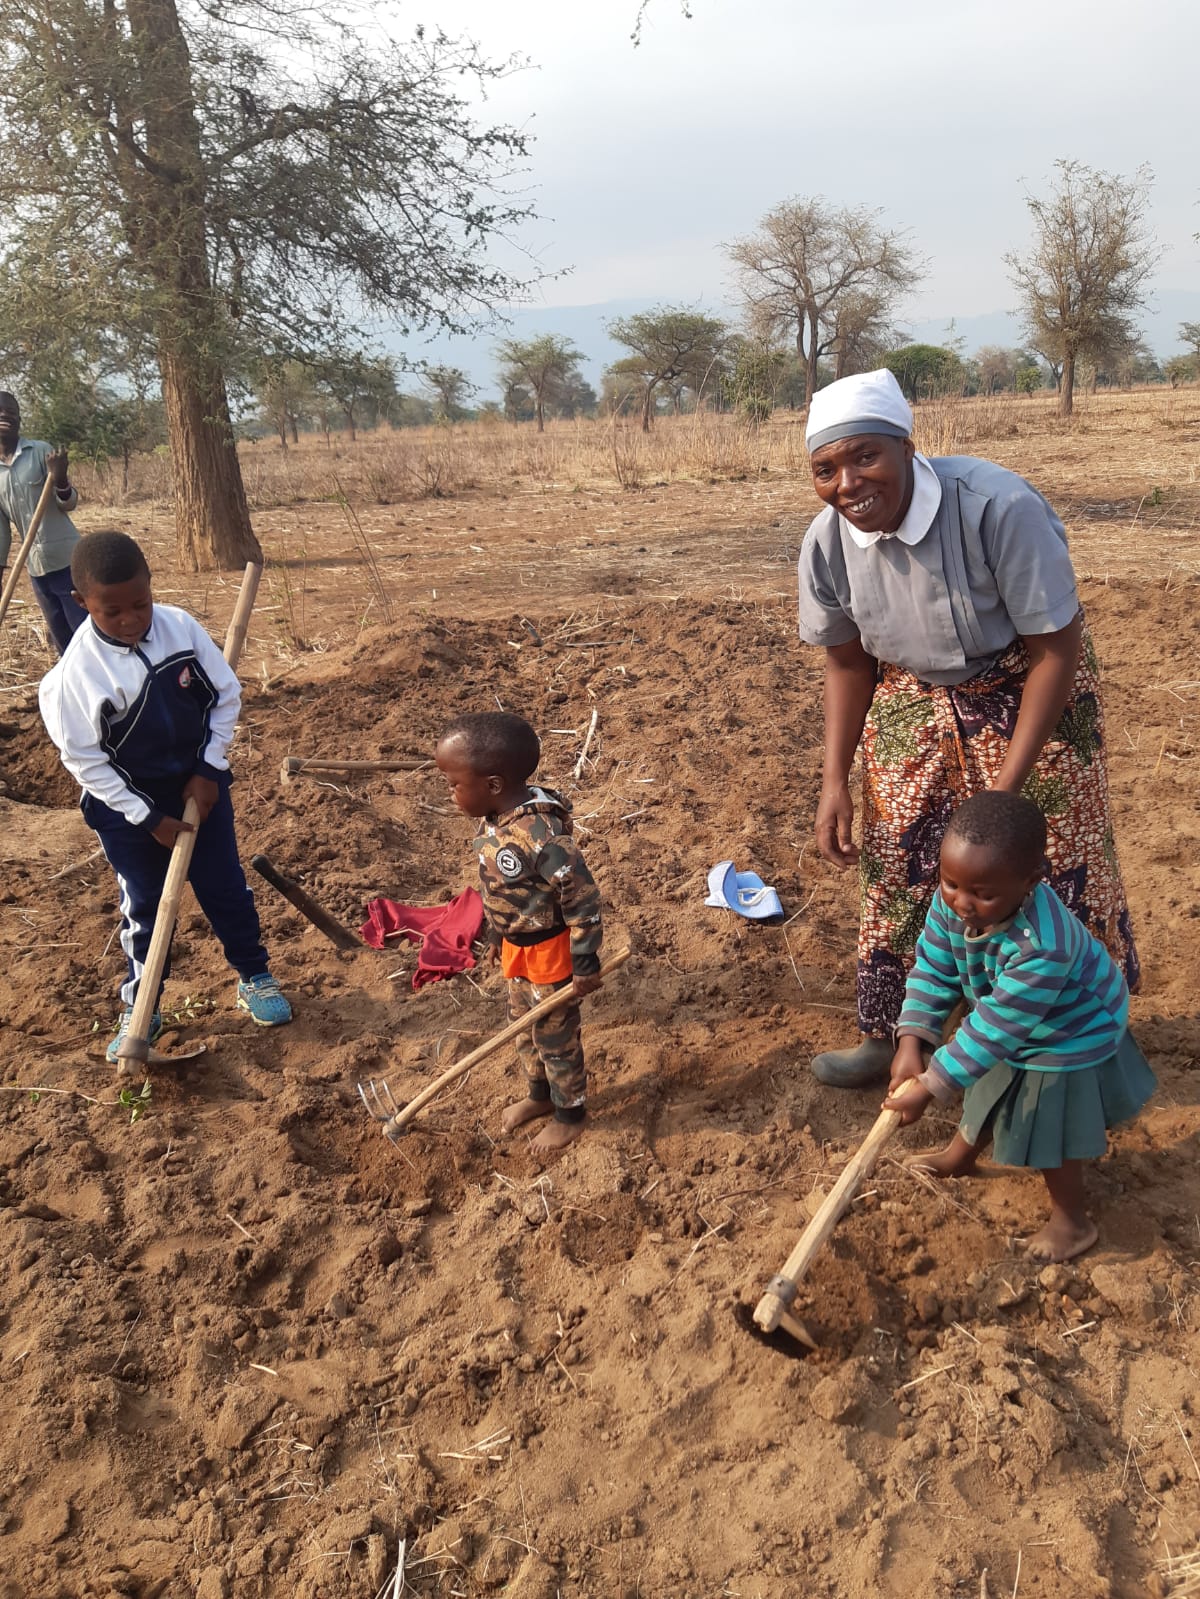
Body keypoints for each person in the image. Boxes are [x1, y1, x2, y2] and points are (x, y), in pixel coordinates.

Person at [797, 368, 1138, 1088]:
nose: (848, 483)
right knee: (895, 863)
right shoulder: (826, 546)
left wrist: (1005, 792)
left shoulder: (996, 507)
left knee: (1047, 863)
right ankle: (889, 1034)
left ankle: (1085, 1037)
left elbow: (1056, 646)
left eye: (866, 457)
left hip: (1028, 686)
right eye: (826, 469)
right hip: (914, 694)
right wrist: (834, 779)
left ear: (906, 447)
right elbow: (848, 666)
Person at [39, 531, 292, 1061]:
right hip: (126, 807)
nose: (132, 619)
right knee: (147, 904)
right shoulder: (73, 679)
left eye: (140, 604)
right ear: (81, 603)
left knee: (225, 886)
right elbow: (85, 762)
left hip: (199, 785)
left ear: (153, 589)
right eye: (113, 611)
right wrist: (147, 816)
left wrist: (209, 767)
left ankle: (254, 975)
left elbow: (225, 697)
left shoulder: (180, 628)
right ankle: (144, 1004)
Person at [883, 791, 1155, 1264]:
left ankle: (1072, 1221)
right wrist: (914, 1039)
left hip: (1073, 1029)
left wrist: (930, 1084)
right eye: (950, 884)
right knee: (989, 1079)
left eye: (983, 894)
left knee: (1048, 1120)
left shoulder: (1041, 946)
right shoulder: (956, 898)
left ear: (1031, 881)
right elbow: (934, 967)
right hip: (1016, 1019)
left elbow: (996, 1028)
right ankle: (959, 1156)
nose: (962, 903)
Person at [435, 712, 604, 1152]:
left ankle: (572, 1113)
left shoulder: (542, 837)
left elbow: (582, 900)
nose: (450, 794)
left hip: (550, 954)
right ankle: (540, 1097)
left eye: (454, 785)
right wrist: (496, 934)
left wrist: (585, 960)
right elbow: (500, 886)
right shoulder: (495, 818)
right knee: (524, 1030)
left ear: (492, 784)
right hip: (517, 949)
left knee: (555, 1036)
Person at [0, 391, 86, 655]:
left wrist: (60, 479)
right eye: (0, 413)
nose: (5, 417)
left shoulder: (40, 452)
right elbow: (1, 530)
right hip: (36, 569)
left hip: (68, 561)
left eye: (11, 413)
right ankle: (71, 691)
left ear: (19, 420)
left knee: (84, 634)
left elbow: (68, 503)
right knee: (62, 639)